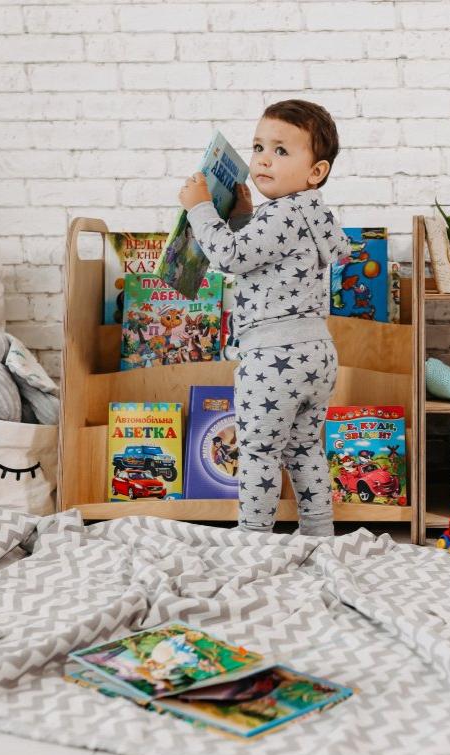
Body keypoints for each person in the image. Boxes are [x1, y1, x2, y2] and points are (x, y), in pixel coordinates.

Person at [177, 99, 349, 537]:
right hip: (316, 354)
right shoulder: (313, 214)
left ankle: (253, 538)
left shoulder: (282, 212)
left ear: (316, 171)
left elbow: (230, 255)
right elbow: (267, 258)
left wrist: (200, 208)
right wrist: (241, 217)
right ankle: (318, 533)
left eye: (281, 150)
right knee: (306, 448)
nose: (264, 159)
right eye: (258, 147)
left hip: (273, 358)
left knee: (259, 452)